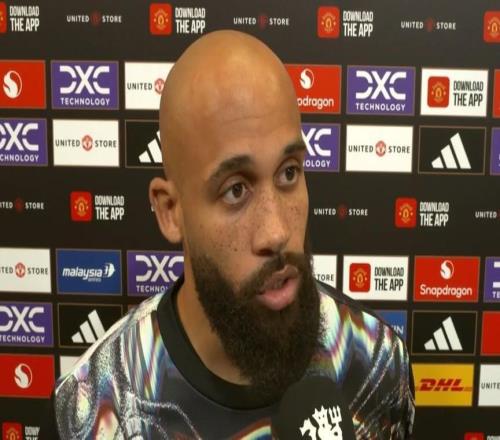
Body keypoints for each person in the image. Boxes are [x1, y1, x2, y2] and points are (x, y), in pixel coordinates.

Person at [43, 30, 415, 439]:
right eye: (235, 190)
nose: (277, 232)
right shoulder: (93, 411)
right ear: (170, 211)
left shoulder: (375, 363)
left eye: (289, 172)